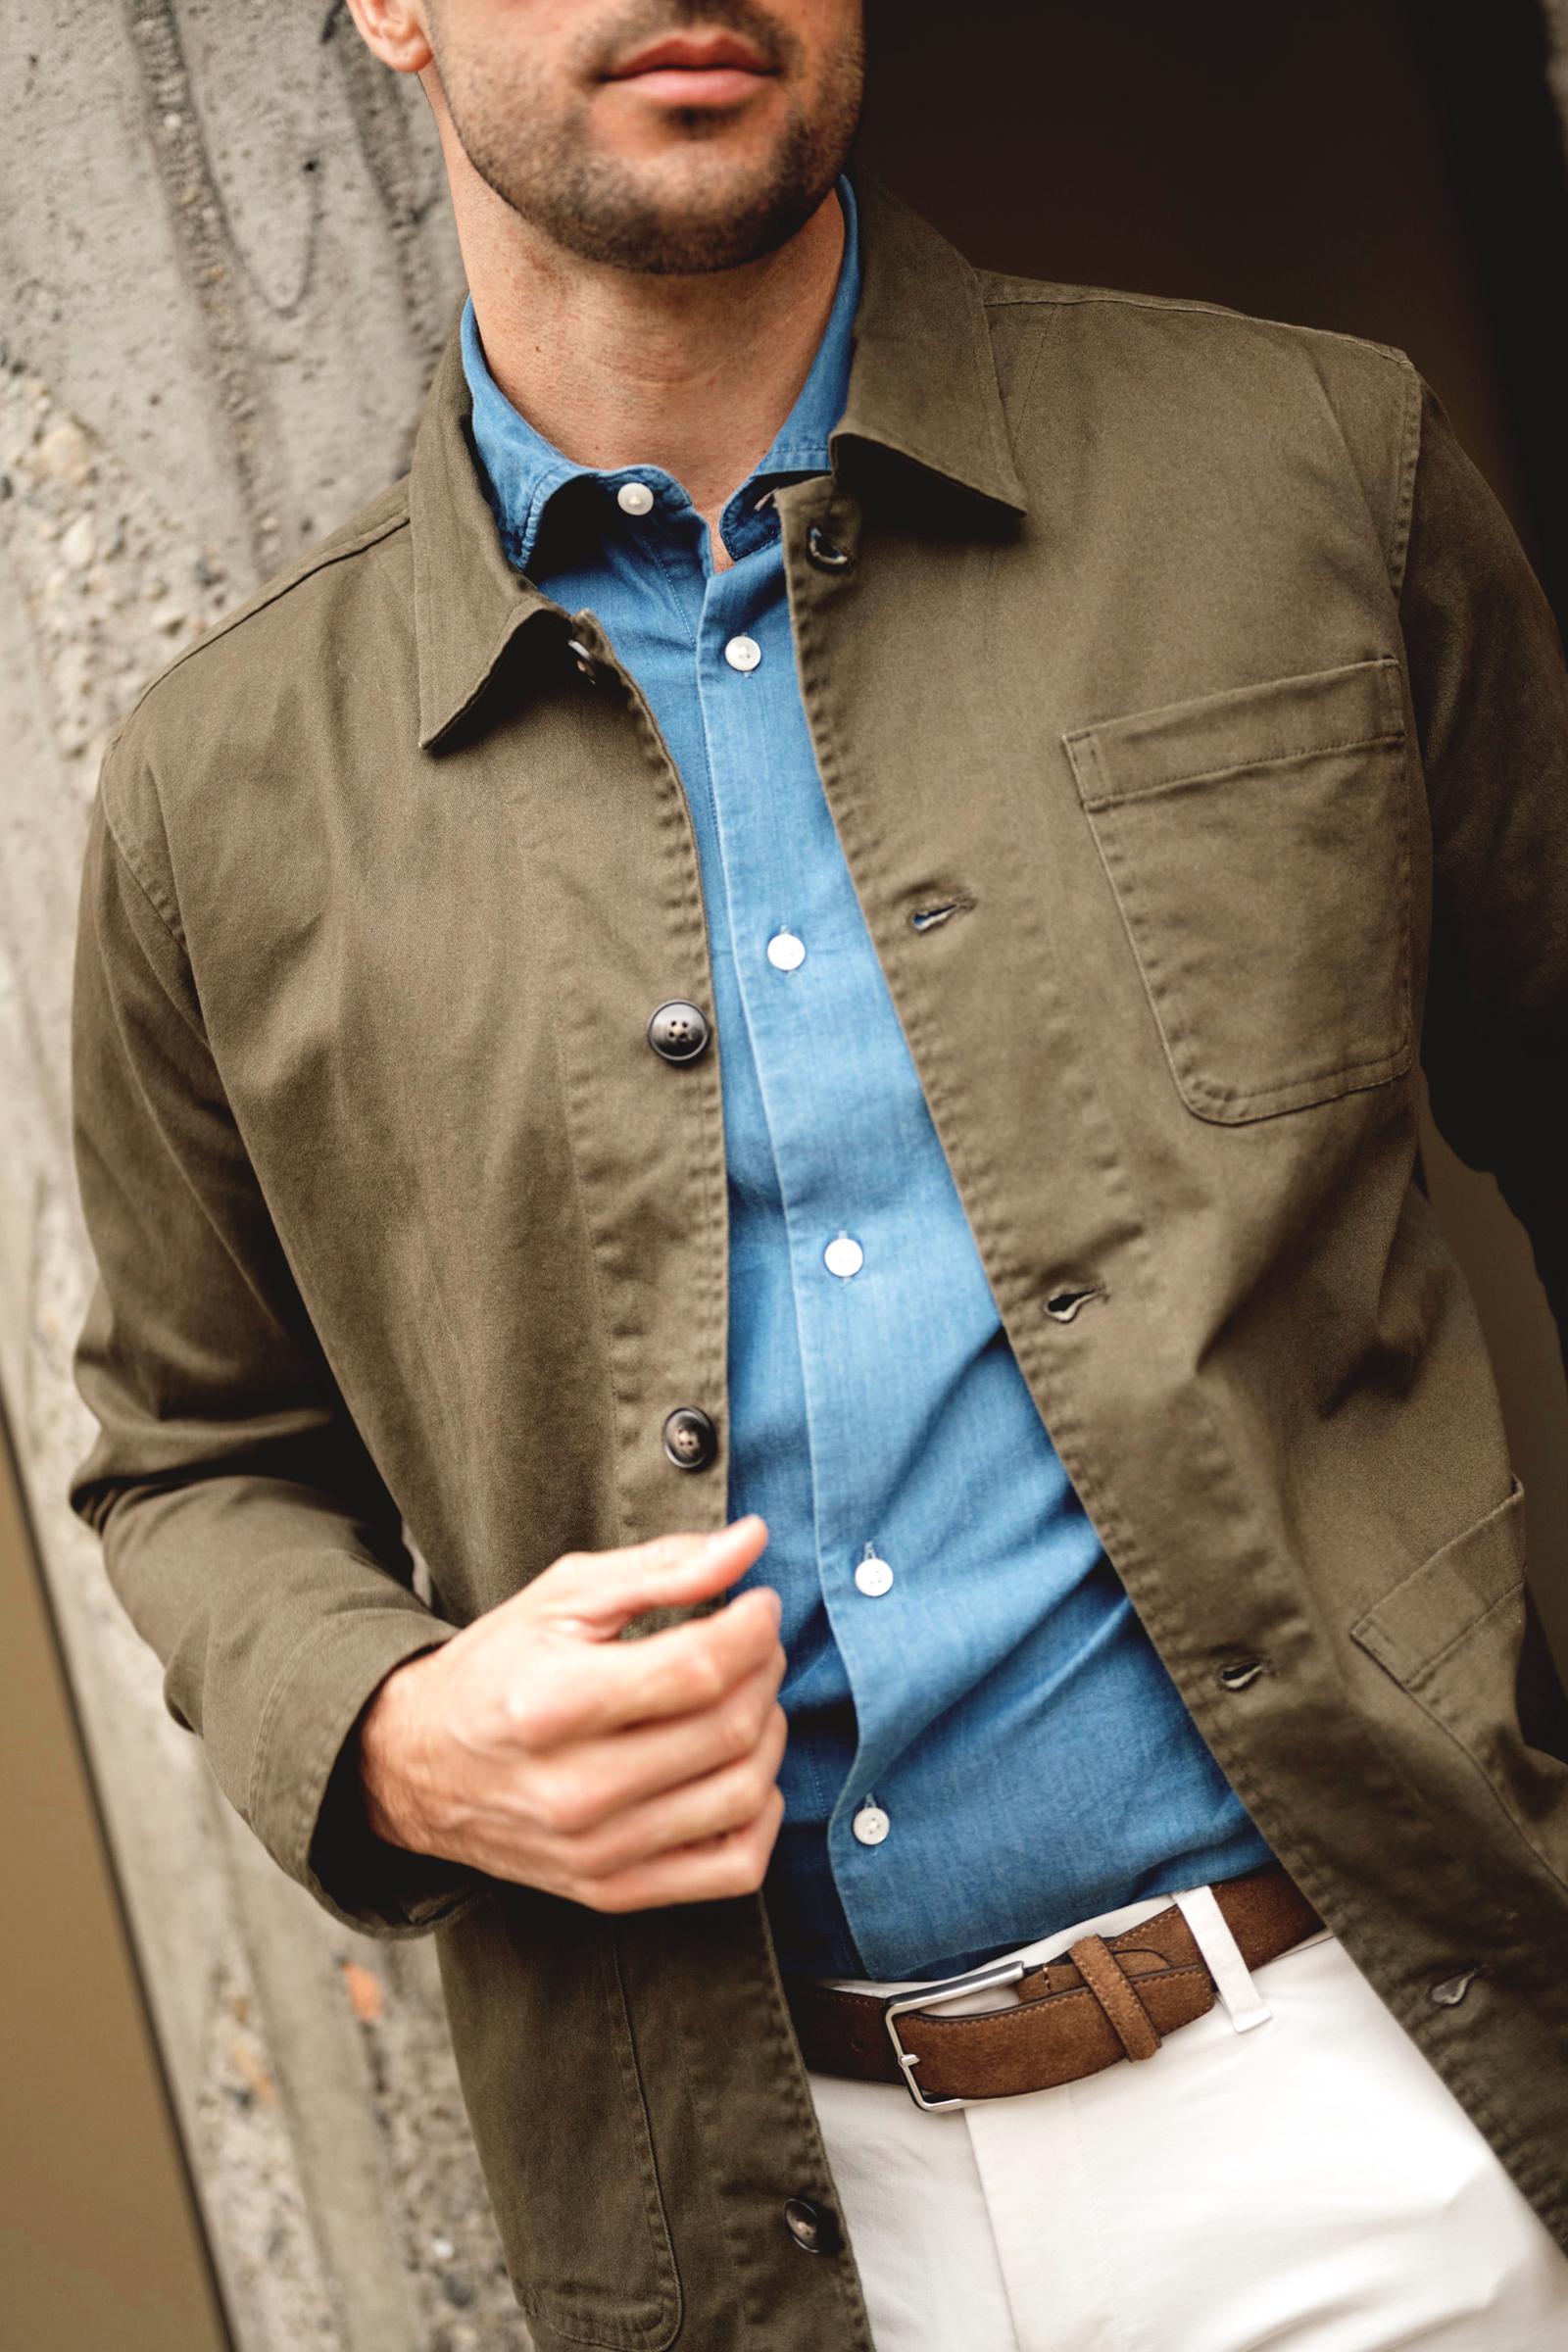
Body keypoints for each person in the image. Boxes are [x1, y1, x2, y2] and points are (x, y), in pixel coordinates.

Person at [70, 0, 1568, 2344]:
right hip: (746, 2234)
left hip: (1379, 2113)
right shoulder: (215, 790)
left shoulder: (1302, 467)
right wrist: (394, 1736)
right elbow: (190, 1457)